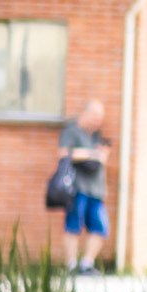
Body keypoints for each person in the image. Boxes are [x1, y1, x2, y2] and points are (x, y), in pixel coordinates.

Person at [58, 101, 111, 274]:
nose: (98, 122)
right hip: (77, 188)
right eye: (95, 118)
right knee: (73, 225)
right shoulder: (72, 132)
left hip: (96, 189)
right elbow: (64, 153)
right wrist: (91, 154)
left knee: (100, 227)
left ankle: (87, 264)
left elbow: (102, 158)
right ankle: (71, 265)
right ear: (86, 114)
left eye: (100, 119)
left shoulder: (96, 135)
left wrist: (101, 154)